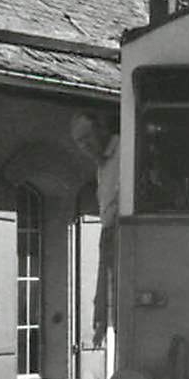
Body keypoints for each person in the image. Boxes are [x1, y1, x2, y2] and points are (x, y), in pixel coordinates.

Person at [70, 112, 119, 347]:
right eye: (79, 143)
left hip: (124, 231)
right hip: (110, 232)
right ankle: (103, 321)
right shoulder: (102, 165)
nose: (84, 147)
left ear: (102, 129)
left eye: (87, 139)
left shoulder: (124, 153)